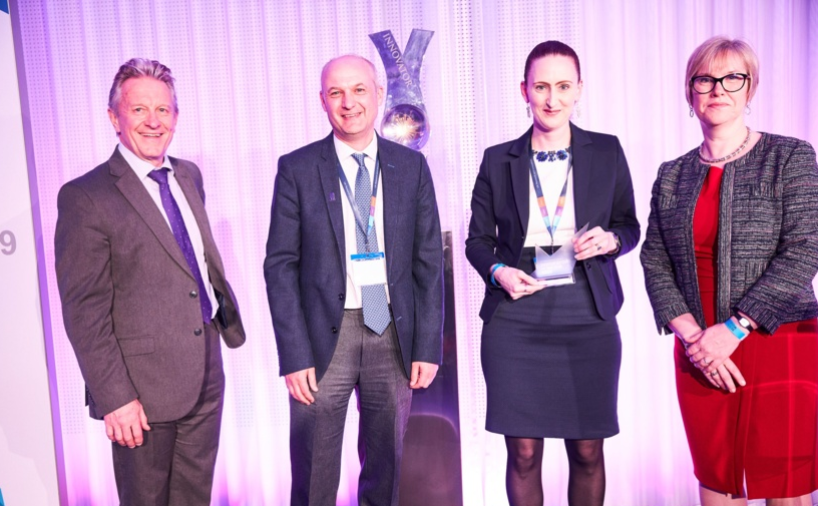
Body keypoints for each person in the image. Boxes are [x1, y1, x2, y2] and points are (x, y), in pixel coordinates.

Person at [54, 58, 245, 505]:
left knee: (194, 498)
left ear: (176, 117)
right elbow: (85, 311)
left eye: (163, 110)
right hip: (140, 391)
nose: (153, 121)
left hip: (204, 370)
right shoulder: (86, 196)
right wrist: (115, 397)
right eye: (139, 110)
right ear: (113, 118)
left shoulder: (188, 175)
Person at [641, 36, 818, 506]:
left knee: (785, 486)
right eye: (705, 79)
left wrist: (736, 328)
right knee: (718, 482)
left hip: (777, 338)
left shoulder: (791, 156)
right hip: (698, 349)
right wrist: (696, 339)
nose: (718, 89)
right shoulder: (672, 174)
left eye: (732, 78)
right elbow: (653, 259)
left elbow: (805, 249)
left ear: (750, 88)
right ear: (690, 91)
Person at [264, 54, 443, 506]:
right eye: (337, 93)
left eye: (359, 90)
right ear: (322, 101)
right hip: (327, 336)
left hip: (391, 327)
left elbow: (427, 262)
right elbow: (280, 265)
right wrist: (294, 353)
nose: (349, 102)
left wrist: (426, 346)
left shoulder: (411, 167)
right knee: (314, 473)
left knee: (385, 470)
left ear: (379, 94)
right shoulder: (297, 168)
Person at [465, 41, 639, 506]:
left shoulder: (606, 151)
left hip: (587, 312)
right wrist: (499, 270)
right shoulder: (497, 159)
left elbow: (629, 225)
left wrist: (612, 240)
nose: (551, 99)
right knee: (522, 454)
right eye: (541, 86)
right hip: (516, 314)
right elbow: (477, 241)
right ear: (524, 89)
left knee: (586, 451)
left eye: (563, 86)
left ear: (579, 89)